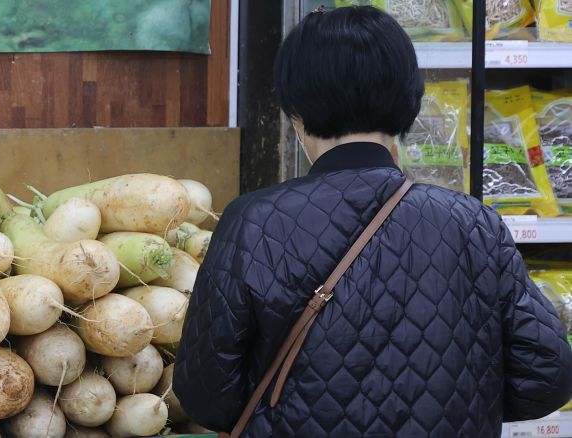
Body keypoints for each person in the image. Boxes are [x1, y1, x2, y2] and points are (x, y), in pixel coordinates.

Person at [173, 6, 572, 437]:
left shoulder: (254, 222)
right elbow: (547, 374)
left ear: (296, 112)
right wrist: (455, 403)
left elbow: (203, 393)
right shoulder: (474, 223)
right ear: (408, 101)